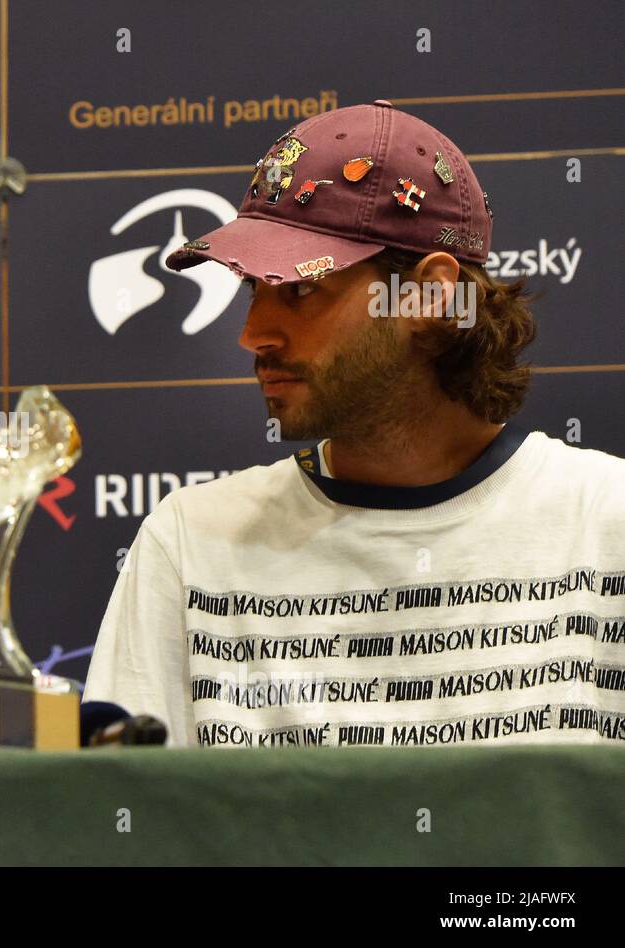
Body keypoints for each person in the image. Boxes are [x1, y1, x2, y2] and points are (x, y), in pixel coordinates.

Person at [85, 101, 625, 748]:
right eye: (254, 290)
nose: (253, 335)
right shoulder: (191, 544)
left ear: (429, 297)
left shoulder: (606, 527)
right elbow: (134, 828)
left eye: (301, 290)